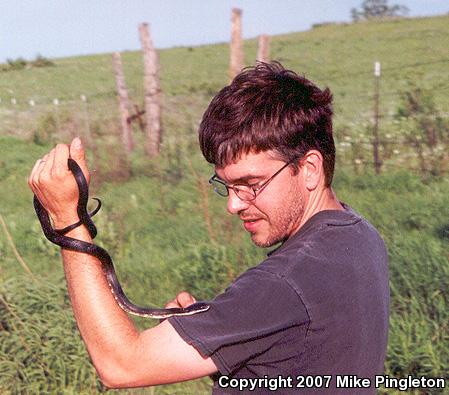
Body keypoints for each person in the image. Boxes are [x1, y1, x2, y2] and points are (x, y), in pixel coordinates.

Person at [28, 62, 389, 394]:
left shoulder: (282, 284)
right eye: (227, 186)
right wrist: (234, 339)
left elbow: (122, 366)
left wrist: (68, 221)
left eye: (251, 184)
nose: (233, 204)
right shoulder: (358, 235)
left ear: (309, 168)